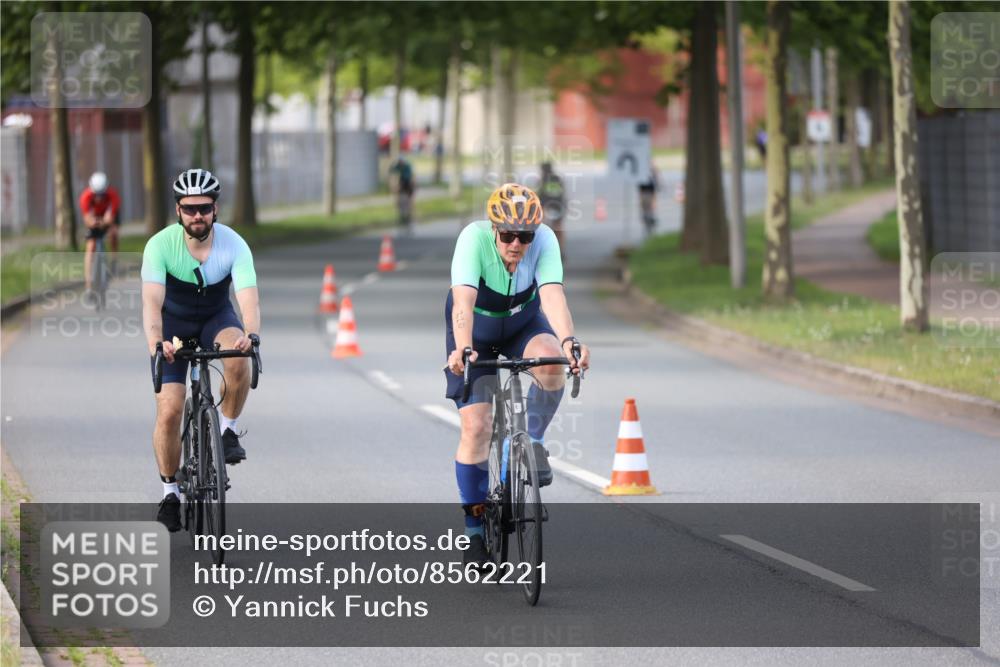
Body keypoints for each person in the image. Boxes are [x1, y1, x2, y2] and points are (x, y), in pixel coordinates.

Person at [444, 183, 591, 566]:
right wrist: (462, 347)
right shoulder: (472, 240)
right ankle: (475, 531)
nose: (515, 244)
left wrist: (570, 341)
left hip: (522, 323)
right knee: (476, 427)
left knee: (552, 363)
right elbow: (463, 303)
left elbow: (553, 294)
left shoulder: (543, 241)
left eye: (523, 236)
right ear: (494, 228)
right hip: (475, 330)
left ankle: (529, 442)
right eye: (508, 235)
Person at [141, 168, 261, 532]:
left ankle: (226, 431)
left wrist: (251, 335)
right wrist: (157, 343)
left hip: (215, 316)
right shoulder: (160, 246)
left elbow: (248, 299)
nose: (197, 216)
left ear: (215, 209)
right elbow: (151, 303)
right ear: (178, 210)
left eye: (204, 208)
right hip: (172, 326)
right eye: (190, 208)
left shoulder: (234, 244)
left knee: (238, 357)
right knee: (170, 409)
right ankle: (170, 492)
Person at [80, 172, 121, 293]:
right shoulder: (85, 197)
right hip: (94, 217)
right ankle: (88, 285)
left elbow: (111, 217)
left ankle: (114, 259)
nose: (98, 197)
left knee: (113, 233)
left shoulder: (113, 195)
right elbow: (87, 218)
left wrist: (106, 222)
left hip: (108, 216)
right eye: (96, 194)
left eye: (101, 194)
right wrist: (92, 222)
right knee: (91, 246)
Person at [538, 162, 567, 256]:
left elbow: (542, 196)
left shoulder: (543, 180)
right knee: (558, 228)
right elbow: (561, 194)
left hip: (548, 207)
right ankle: (561, 250)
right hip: (559, 206)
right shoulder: (557, 179)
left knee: (546, 229)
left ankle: (548, 250)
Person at [390, 156, 416, 233]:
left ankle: (409, 216)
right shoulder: (397, 166)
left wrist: (412, 186)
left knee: (409, 201)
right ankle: (402, 215)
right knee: (400, 200)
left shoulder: (408, 167)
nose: (401, 164)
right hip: (401, 183)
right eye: (400, 163)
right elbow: (392, 172)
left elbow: (412, 178)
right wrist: (394, 186)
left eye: (402, 163)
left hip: (408, 184)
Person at [638, 163, 659, 237]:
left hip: (649, 194)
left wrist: (654, 200)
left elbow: (653, 189)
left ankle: (650, 223)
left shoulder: (651, 178)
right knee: (645, 211)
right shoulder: (642, 177)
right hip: (645, 194)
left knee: (649, 211)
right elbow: (640, 188)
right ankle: (647, 222)